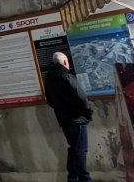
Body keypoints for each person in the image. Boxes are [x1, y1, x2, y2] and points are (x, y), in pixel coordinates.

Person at [44, 51, 93, 182]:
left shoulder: (48, 78)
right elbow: (81, 97)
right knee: (81, 151)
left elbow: (50, 100)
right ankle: (84, 178)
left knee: (73, 148)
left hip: (63, 120)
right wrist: (87, 113)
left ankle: (72, 177)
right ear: (65, 62)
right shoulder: (67, 76)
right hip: (77, 118)